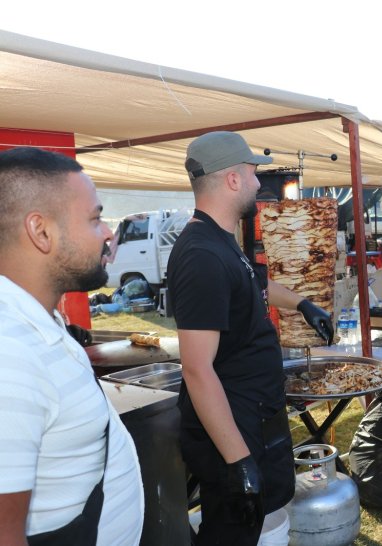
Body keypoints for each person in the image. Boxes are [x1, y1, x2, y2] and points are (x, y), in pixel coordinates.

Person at [167, 131, 334, 546]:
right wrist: (238, 460)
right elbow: (197, 368)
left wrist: (303, 304)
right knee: (230, 535)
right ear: (233, 180)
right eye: (253, 173)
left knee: (257, 525)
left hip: (254, 416)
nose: (260, 183)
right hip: (232, 429)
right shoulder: (201, 255)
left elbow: (253, 283)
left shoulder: (221, 240)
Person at [0, 147, 143, 545]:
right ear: (40, 231)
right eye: (96, 219)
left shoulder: (38, 321)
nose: (110, 234)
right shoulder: (8, 353)